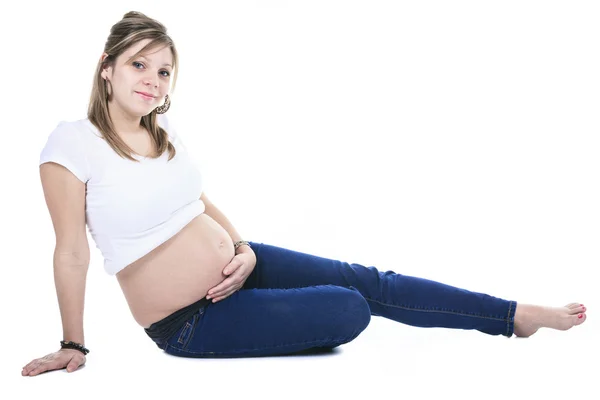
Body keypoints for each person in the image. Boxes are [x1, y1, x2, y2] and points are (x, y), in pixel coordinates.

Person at [23, 11, 587, 377]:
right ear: (107, 68)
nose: (152, 79)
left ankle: (513, 316)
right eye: (139, 64)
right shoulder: (72, 143)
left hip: (245, 265)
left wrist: (241, 249)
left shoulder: (158, 135)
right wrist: (76, 342)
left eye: (165, 71)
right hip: (189, 320)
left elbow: (195, 204)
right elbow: (71, 250)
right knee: (350, 306)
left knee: (371, 279)